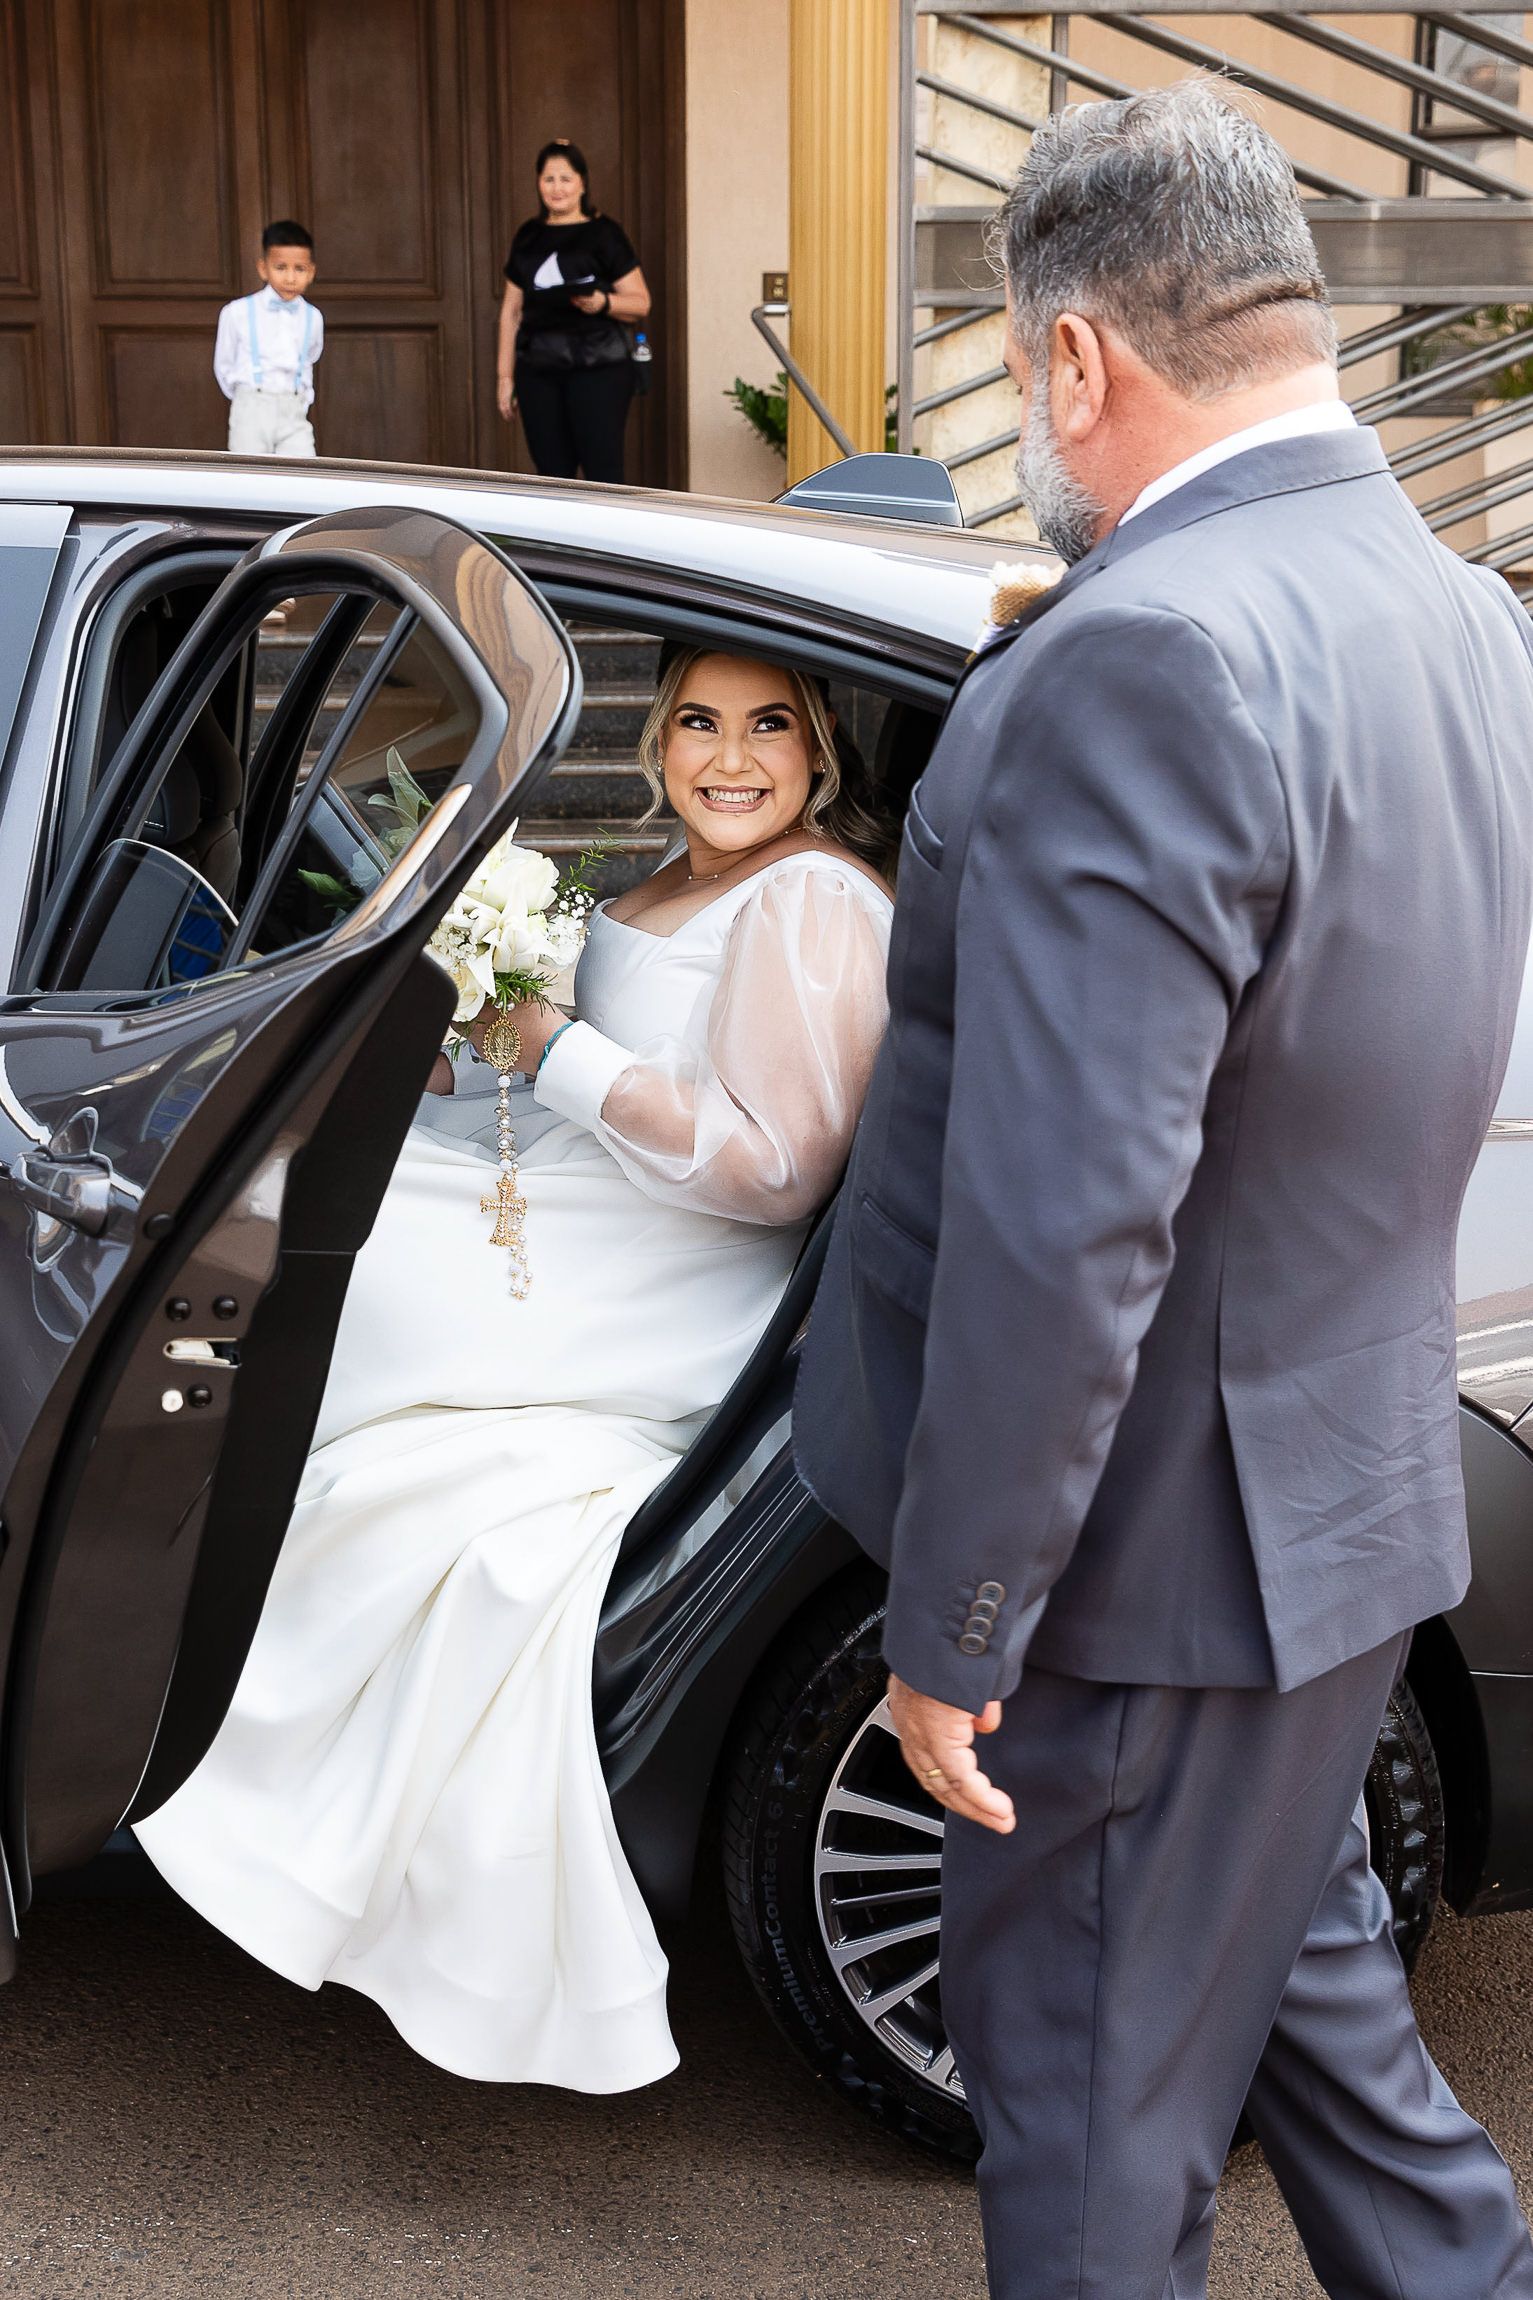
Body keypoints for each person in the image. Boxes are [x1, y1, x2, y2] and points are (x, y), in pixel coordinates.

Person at [795, 79, 1533, 2300]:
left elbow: (1067, 1226)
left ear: (1079, 358)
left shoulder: (1139, 652)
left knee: (1094, 2167)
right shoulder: (1460, 612)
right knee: (1340, 2072)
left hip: (1131, 1601)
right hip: (1326, 1535)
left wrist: (956, 1633)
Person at [135, 650, 893, 2092]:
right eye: (696, 725)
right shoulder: (658, 883)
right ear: (656, 743)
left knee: (323, 1256)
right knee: (309, 1184)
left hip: (667, 1276)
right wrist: (479, 1040)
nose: (729, 758)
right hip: (584, 1197)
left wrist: (549, 1048)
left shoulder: (810, 898)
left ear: (821, 749)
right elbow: (567, 1071)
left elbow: (771, 1167)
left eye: (768, 727)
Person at [498, 138, 650, 483]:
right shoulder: (528, 236)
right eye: (548, 179)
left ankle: (604, 538)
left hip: (599, 369)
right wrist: (504, 378)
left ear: (582, 182)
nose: (557, 188)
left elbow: (641, 301)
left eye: (566, 178)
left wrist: (603, 302)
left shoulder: (604, 234)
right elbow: (511, 312)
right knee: (551, 476)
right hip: (538, 370)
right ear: (538, 183)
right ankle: (555, 540)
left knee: (603, 473)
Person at [214, 221, 324, 457]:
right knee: (250, 478)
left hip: (293, 411)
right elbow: (224, 366)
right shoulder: (237, 312)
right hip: (252, 408)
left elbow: (309, 359)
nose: (291, 278)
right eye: (281, 267)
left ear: (311, 272)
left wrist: (302, 399)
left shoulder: (313, 317)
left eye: (300, 269)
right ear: (263, 268)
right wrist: (249, 396)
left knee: (303, 474)